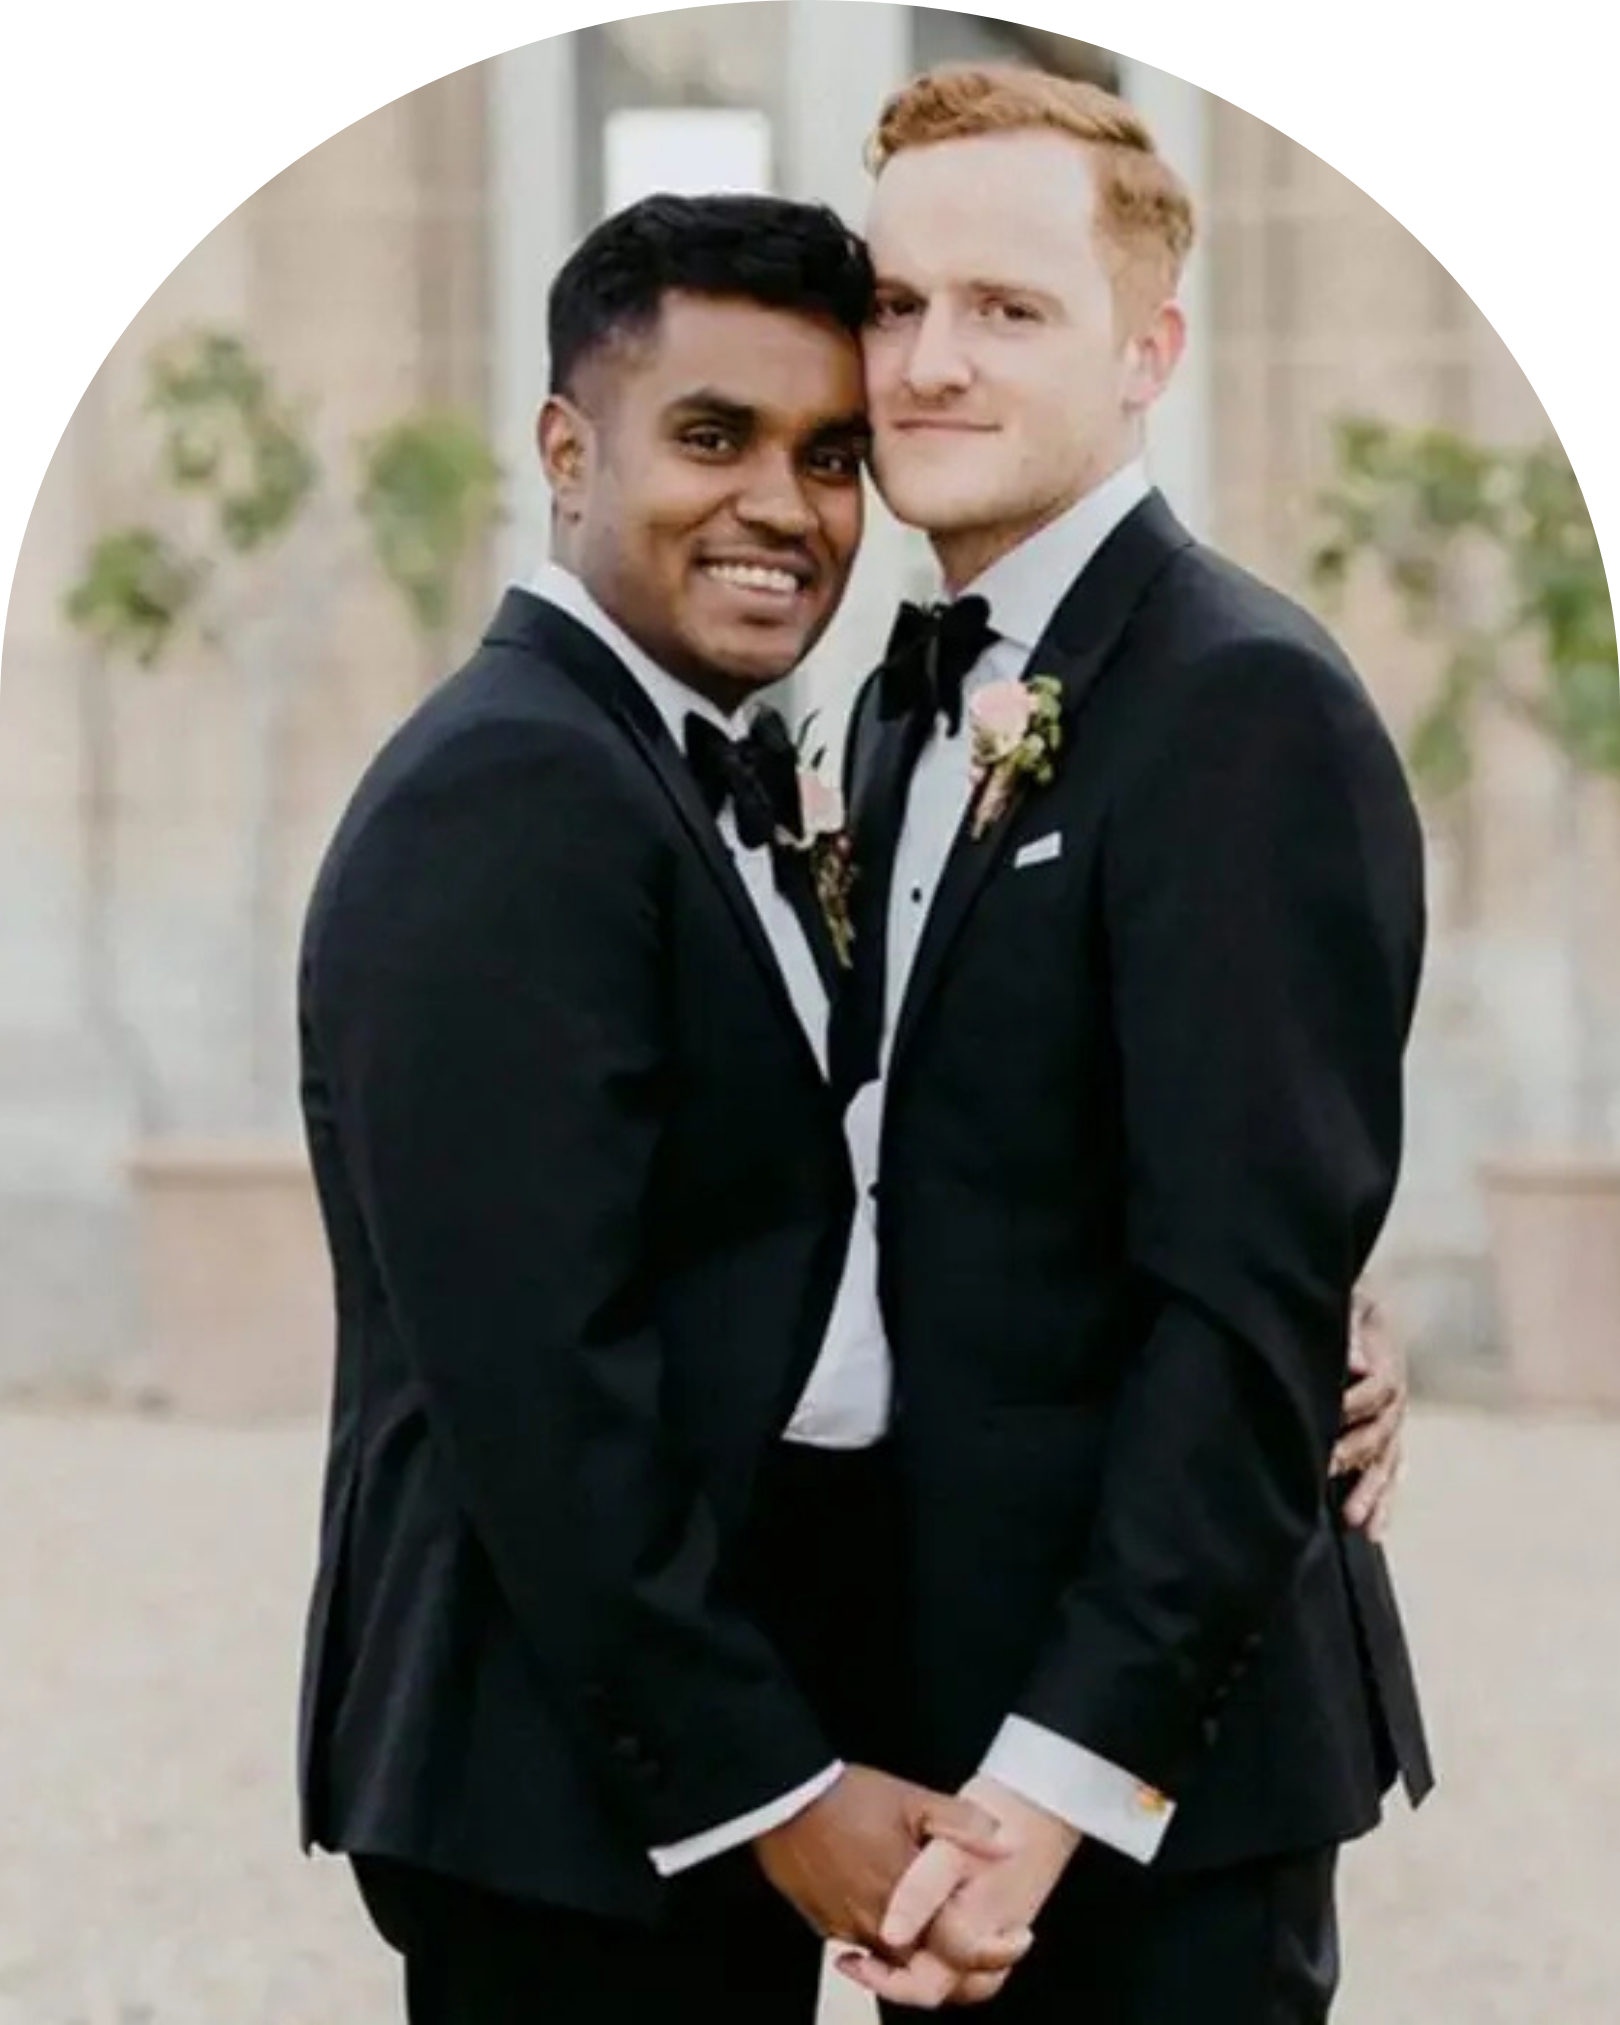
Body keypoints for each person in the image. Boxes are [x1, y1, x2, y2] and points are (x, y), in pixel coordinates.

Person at [292, 192, 1023, 2025]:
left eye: (831, 455)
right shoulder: (510, 796)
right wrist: (770, 1791)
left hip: (680, 1753)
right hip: (561, 1782)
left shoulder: (701, 766)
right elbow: (540, 1375)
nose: (784, 505)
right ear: (565, 447)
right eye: (713, 438)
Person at [817, 65, 1435, 2019]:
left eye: (1008, 309)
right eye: (898, 305)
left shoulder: (1244, 706)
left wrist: (1042, 1798)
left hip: (1155, 1772)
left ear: (1150, 347)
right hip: (936, 1732)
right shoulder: (902, 707)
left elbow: (1242, 1315)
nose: (927, 360)